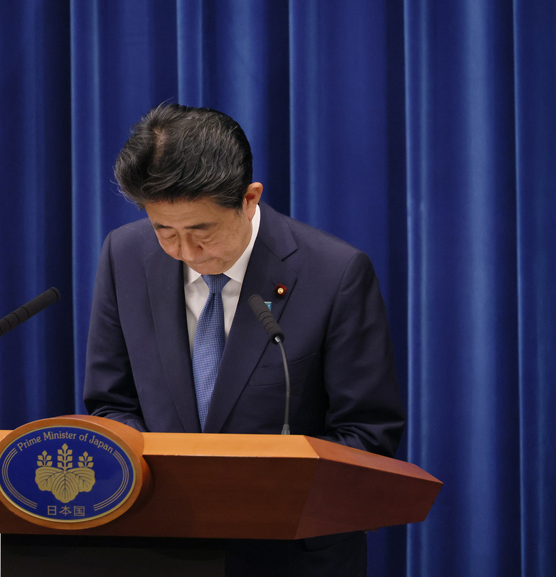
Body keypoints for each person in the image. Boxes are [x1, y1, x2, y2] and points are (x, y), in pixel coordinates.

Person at [83, 103, 405, 576]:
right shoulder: (125, 254)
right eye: (164, 231)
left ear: (249, 198)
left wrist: (261, 488)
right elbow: (110, 402)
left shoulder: (334, 273)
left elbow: (368, 432)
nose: (185, 252)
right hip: (160, 548)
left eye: (202, 231)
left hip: (289, 555)